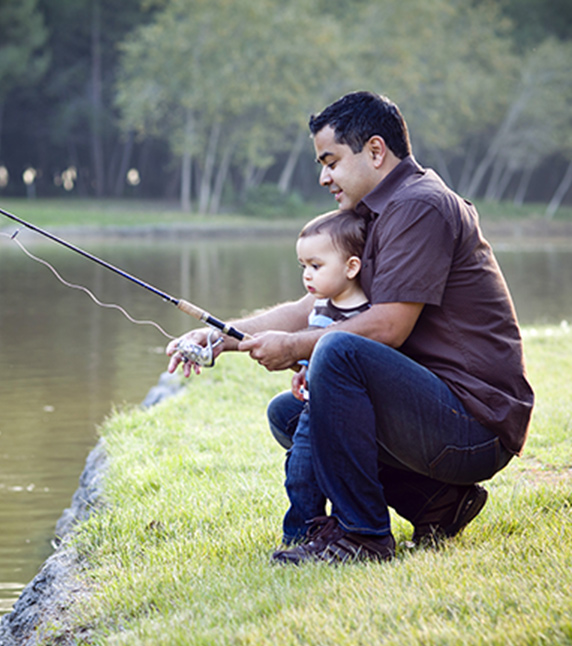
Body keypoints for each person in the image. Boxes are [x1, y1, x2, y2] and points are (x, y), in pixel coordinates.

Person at [167, 90, 534, 566]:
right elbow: (311, 304)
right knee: (291, 415)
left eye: (331, 161)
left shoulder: (420, 206)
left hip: (474, 426)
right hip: (438, 414)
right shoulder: (373, 213)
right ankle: (438, 503)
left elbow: (389, 327)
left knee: (337, 353)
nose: (324, 177)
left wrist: (298, 348)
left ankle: (362, 536)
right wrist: (222, 338)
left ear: (376, 151)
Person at [268, 208, 370, 542]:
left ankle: (300, 536)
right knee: (298, 468)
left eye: (316, 266)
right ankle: (309, 531)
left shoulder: (365, 316)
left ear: (352, 267)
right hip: (316, 403)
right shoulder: (322, 306)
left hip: (343, 411)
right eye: (303, 268)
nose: (307, 276)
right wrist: (303, 370)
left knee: (302, 471)